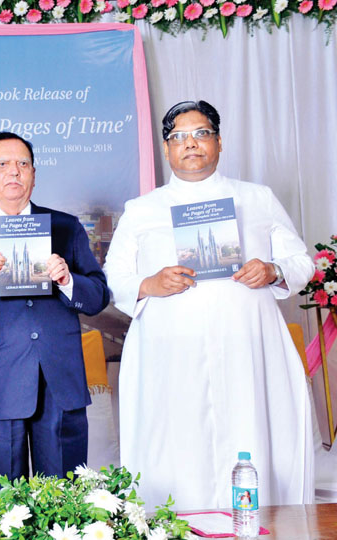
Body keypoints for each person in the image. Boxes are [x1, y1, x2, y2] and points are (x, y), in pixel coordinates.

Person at [104, 100, 314, 509]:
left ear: (218, 142)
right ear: (166, 149)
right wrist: (150, 282)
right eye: (179, 137)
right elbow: (114, 276)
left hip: (247, 349)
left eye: (201, 133)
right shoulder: (141, 210)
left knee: (249, 431)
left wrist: (272, 270)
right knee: (178, 446)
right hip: (170, 355)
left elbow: (301, 261)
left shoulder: (257, 198)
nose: (191, 144)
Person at [0, 132, 109, 487]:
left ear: (34, 173)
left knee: (65, 505)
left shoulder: (66, 226)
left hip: (61, 381)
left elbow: (97, 297)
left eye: (22, 164)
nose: (13, 172)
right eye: (2, 164)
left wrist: (67, 280)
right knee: (5, 507)